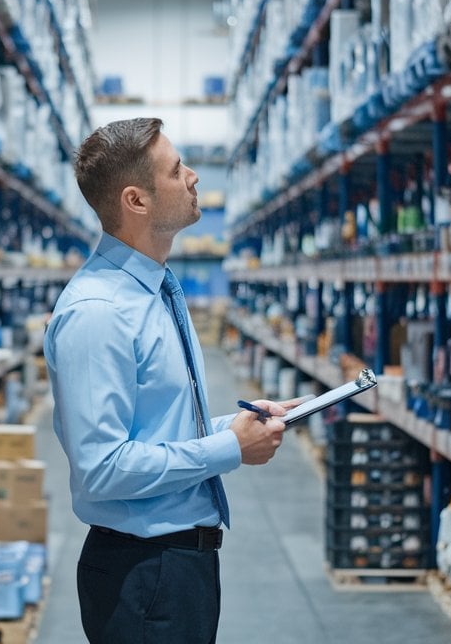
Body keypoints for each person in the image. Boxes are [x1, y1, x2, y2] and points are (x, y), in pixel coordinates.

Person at [45, 118, 299, 643]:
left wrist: (241, 425)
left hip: (180, 565)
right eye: (177, 169)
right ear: (136, 200)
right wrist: (229, 449)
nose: (193, 177)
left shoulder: (153, 290)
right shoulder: (100, 312)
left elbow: (162, 427)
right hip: (144, 575)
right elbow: (103, 469)